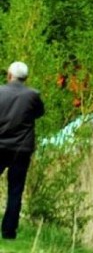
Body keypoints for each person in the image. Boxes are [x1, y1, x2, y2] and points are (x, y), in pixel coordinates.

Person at [0, 61, 45, 239]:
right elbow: (40, 113)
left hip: (0, 145)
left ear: (9, 75)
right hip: (21, 149)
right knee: (15, 190)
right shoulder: (33, 96)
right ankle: (9, 231)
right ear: (25, 78)